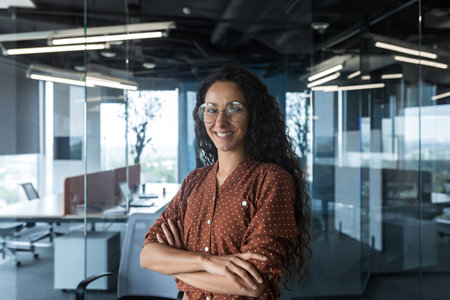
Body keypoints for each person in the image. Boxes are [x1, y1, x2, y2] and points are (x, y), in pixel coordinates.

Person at [140, 66, 311, 299]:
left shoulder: (272, 180)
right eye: (211, 110)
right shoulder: (194, 181)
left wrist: (177, 267)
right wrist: (207, 262)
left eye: (234, 109)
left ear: (254, 115)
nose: (220, 122)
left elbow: (253, 283)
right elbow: (147, 256)